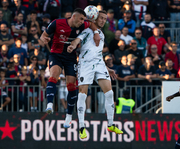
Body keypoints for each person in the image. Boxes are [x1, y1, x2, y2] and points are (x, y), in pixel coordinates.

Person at [67, 10, 123, 139]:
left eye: (105, 19)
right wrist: (72, 46)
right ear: (94, 18)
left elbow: (96, 53)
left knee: (109, 93)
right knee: (82, 95)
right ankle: (81, 126)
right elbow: (77, 40)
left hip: (99, 64)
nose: (103, 21)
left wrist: (107, 68)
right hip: (85, 64)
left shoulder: (101, 34)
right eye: (101, 18)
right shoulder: (87, 31)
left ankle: (110, 124)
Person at [40, 8, 100, 119]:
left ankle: (69, 115)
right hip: (56, 54)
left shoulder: (82, 25)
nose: (83, 21)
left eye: (84, 19)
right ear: (74, 17)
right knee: (54, 75)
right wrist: (45, 39)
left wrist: (96, 33)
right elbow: (43, 36)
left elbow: (91, 24)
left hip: (70, 57)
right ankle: (49, 104)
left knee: (71, 85)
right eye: (81, 19)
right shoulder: (57, 23)